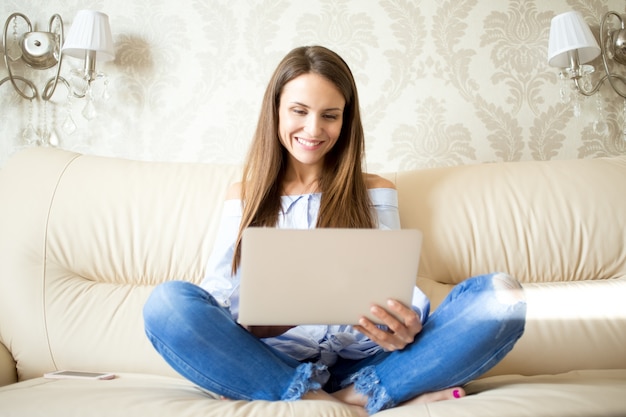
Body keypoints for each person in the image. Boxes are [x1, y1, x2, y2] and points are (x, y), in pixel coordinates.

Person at [143, 45, 526, 416]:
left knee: (500, 298)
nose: (314, 129)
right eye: (299, 111)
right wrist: (252, 321)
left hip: (367, 361)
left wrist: (403, 325)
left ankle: (347, 396)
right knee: (167, 305)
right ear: (275, 110)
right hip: (274, 359)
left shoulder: (376, 190)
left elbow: (395, 286)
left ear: (346, 120)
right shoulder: (243, 196)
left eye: (330, 115)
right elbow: (215, 296)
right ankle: (331, 398)